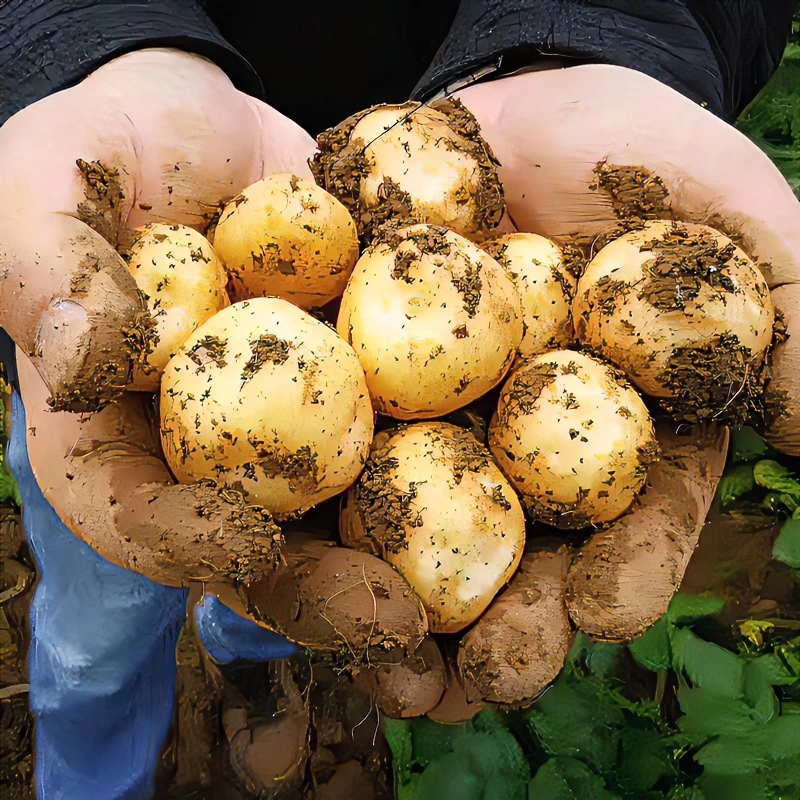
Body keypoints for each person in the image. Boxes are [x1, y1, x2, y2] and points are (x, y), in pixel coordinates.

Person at [1, 1, 799, 797]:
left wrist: (600, 38)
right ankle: (94, 763)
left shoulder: (477, 290)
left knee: (276, 566)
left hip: (479, 92)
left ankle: (254, 667)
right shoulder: (225, 292)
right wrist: (91, 47)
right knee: (98, 618)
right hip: (188, 168)